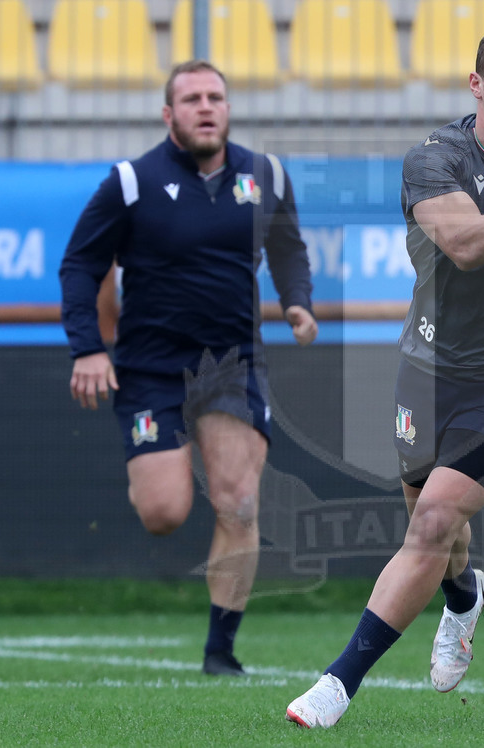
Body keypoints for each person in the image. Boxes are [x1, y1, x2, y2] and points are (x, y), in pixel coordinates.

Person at [286, 21, 484, 727]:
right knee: (437, 535)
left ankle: (337, 684)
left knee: (431, 521)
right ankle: (465, 597)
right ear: (477, 84)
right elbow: (461, 243)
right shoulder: (434, 158)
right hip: (428, 369)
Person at [59, 60, 318, 677]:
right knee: (164, 512)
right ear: (168, 114)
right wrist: (88, 347)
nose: (207, 107)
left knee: (240, 502)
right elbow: (79, 265)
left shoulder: (267, 175)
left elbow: (287, 247)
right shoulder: (130, 182)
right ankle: (160, 468)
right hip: (149, 369)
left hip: (231, 365)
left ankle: (220, 652)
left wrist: (297, 302)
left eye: (216, 97)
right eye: (192, 98)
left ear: (228, 108)